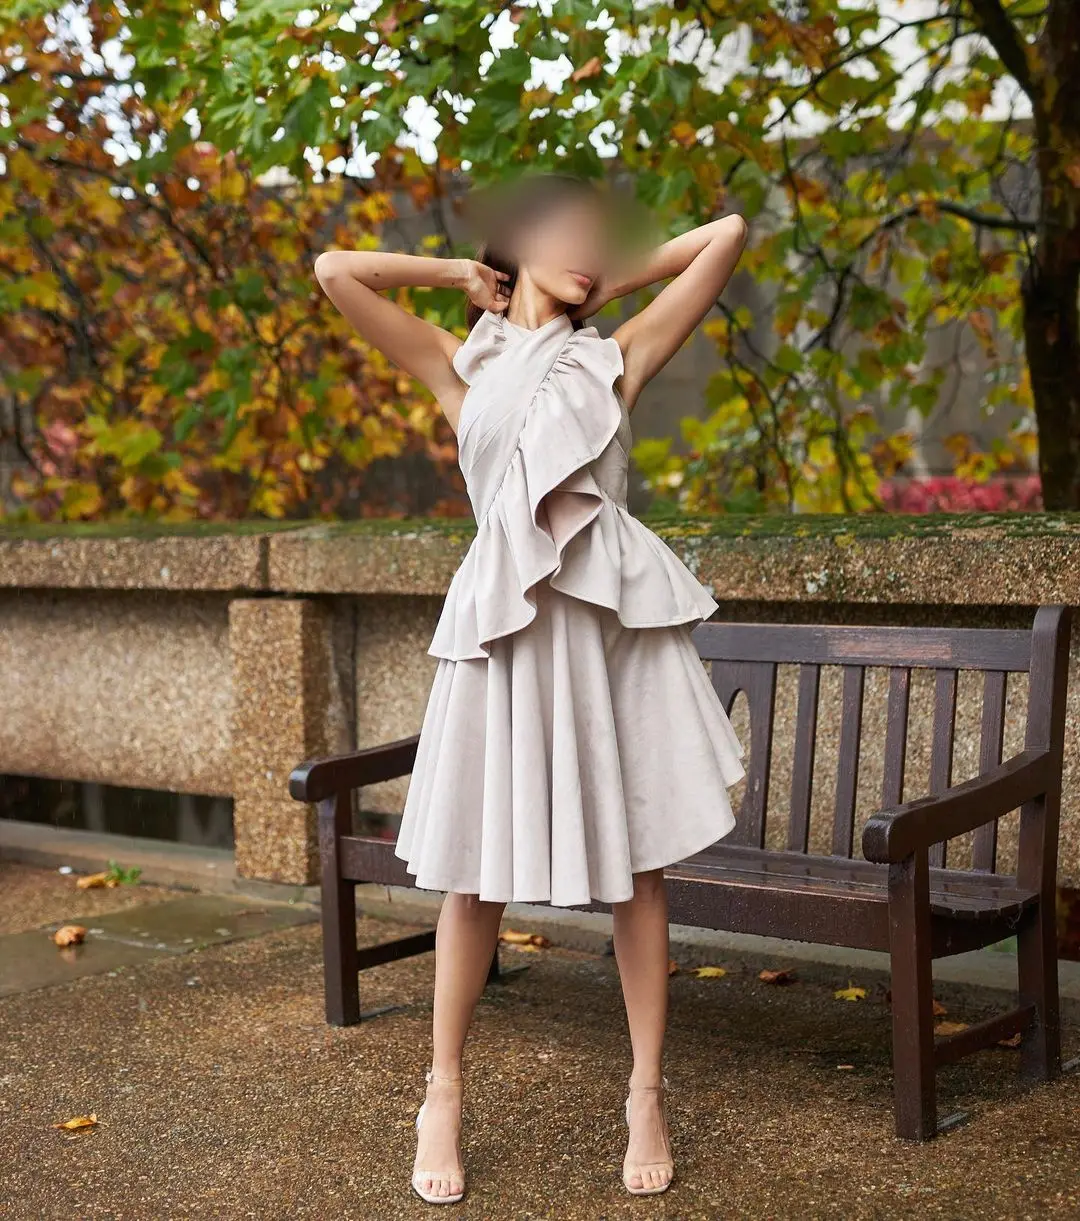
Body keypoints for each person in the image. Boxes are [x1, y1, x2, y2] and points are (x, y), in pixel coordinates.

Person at [314, 173, 748, 1204]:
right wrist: (468, 274)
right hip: (503, 638)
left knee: (639, 871)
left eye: (598, 240)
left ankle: (646, 1090)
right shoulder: (457, 370)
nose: (589, 249)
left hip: (602, 637)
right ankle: (442, 1093)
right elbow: (335, 271)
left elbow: (725, 234)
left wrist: (600, 277)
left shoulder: (618, 357)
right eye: (565, 234)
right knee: (474, 875)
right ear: (512, 250)